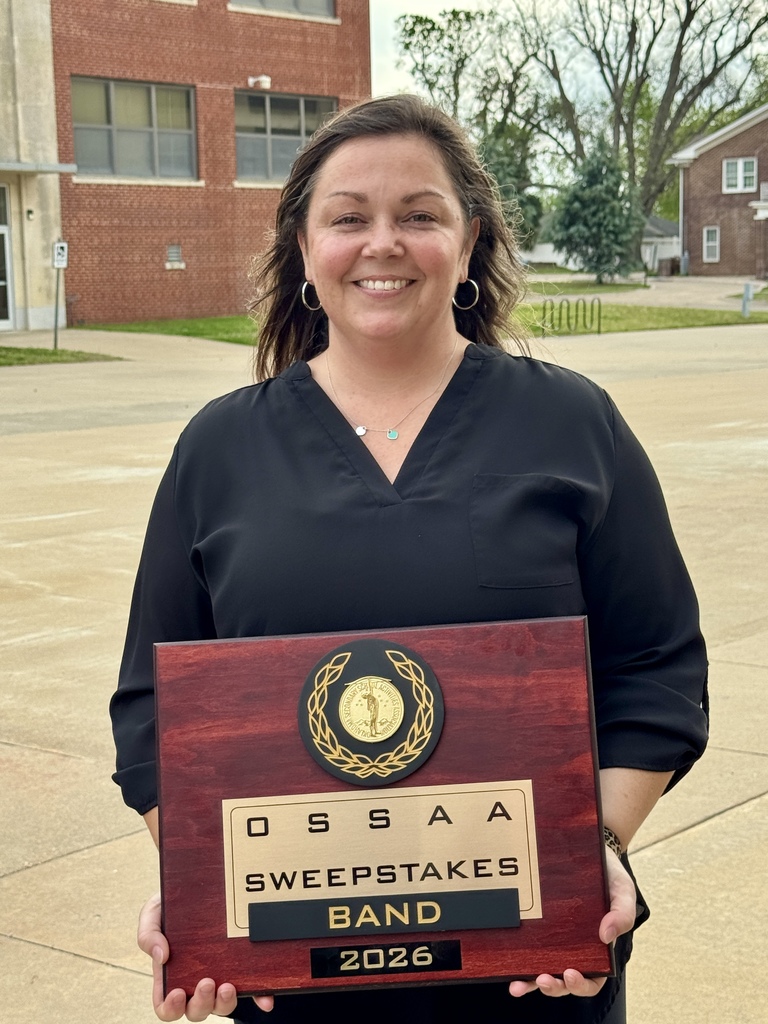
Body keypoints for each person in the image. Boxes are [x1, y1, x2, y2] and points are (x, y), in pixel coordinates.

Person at [110, 94, 708, 1024]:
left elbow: (656, 668)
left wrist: (595, 850)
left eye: (419, 216)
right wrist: (202, 878)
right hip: (296, 976)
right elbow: (154, 702)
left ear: (467, 243)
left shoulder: (572, 425)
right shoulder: (218, 451)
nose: (382, 243)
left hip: (530, 975)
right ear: (305, 251)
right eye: (348, 218)